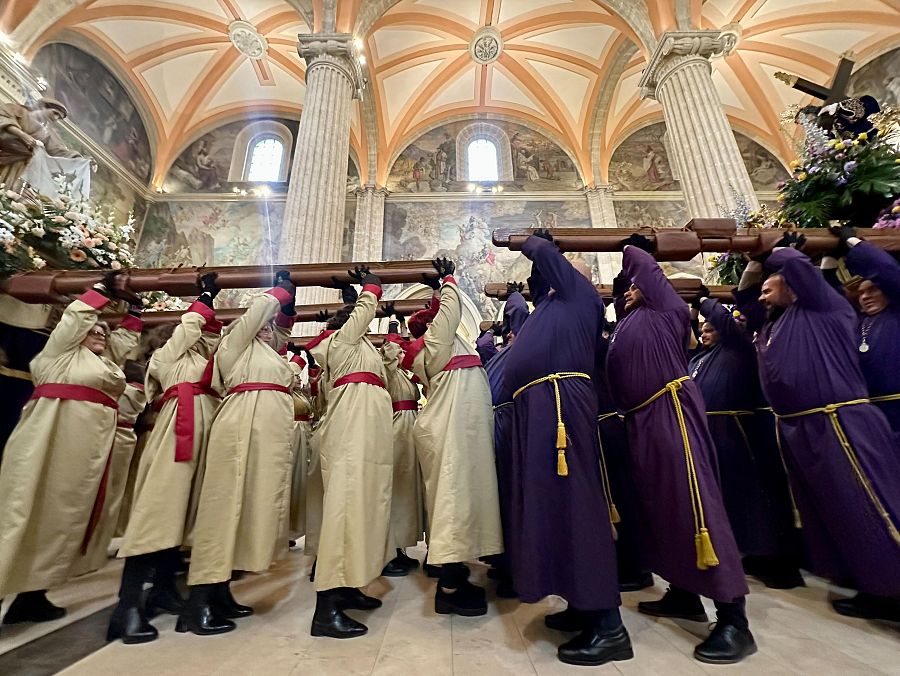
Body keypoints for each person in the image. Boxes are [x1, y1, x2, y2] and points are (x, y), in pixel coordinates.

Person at [606, 238, 754, 664]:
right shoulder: (629, 320)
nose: (630, 290)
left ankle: (734, 620)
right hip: (641, 420)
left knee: (695, 503)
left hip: (670, 411)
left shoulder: (666, 308)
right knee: (662, 507)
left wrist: (631, 248)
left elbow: (642, 267)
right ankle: (684, 593)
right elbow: (624, 292)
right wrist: (624, 285)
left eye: (635, 285)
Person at [735, 240, 900, 622]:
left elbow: (799, 269)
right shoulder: (777, 322)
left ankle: (893, 586)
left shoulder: (823, 307)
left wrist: (772, 250)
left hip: (839, 422)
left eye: (769, 285)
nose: (761, 294)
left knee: (869, 506)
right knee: (835, 511)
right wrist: (756, 268)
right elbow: (744, 300)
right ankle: (872, 584)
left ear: (793, 285)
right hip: (802, 426)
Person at [501, 233, 631, 666]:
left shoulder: (580, 294)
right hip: (540, 409)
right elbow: (525, 303)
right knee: (553, 506)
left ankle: (609, 626)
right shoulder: (549, 308)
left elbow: (547, 260)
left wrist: (533, 241)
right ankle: (581, 603)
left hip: (560, 407)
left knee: (577, 504)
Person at [0, 271, 141, 626]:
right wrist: (100, 292)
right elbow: (77, 320)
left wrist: (135, 313)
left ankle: (33, 595)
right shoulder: (60, 354)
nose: (99, 334)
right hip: (49, 443)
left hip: (87, 452)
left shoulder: (104, 364)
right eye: (93, 331)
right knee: (25, 513)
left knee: (62, 522)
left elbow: (121, 343)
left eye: (103, 332)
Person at [179, 273, 296, 636]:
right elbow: (256, 315)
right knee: (224, 509)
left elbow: (283, 332)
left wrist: (287, 305)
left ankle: (220, 590)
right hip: (242, 425)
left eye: (269, 329)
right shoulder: (234, 345)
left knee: (246, 510)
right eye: (261, 326)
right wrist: (279, 290)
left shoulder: (267, 351)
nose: (266, 330)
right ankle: (197, 604)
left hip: (265, 432)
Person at [110, 275, 224, 643]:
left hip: (200, 435)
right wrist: (204, 298)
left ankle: (162, 588)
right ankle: (126, 608)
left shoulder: (204, 360)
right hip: (176, 435)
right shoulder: (168, 357)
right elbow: (191, 329)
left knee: (181, 515)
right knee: (156, 513)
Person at [402, 258, 503, 618]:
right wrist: (447, 280)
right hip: (450, 431)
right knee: (453, 502)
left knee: (460, 500)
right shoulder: (436, 343)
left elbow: (442, 312)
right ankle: (449, 587)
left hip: (455, 429)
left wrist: (435, 292)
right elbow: (450, 309)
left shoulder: (441, 345)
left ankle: (455, 572)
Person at [690, 296, 803, 589]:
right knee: (733, 501)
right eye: (702, 328)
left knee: (757, 498)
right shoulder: (699, 358)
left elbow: (729, 326)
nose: (705, 331)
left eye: (711, 327)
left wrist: (703, 299)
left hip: (739, 434)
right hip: (712, 435)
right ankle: (754, 551)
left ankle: (777, 560)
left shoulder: (738, 348)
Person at [305, 267, 394, 639]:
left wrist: (349, 294)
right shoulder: (342, 345)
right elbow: (358, 317)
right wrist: (370, 287)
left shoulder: (360, 351)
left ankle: (347, 586)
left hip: (368, 435)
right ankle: (325, 609)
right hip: (351, 434)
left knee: (362, 508)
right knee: (344, 510)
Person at [71, 361, 148, 578]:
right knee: (103, 496)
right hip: (114, 436)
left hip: (121, 437)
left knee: (111, 497)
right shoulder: (131, 382)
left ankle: (90, 552)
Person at [484, 282, 529, 599]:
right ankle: (502, 559)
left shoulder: (524, 345)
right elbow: (483, 344)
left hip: (514, 425)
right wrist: (495, 328)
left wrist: (513, 297)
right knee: (498, 496)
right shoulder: (499, 356)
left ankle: (518, 568)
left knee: (514, 496)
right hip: (497, 426)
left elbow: (521, 315)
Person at [833, 226, 900, 437]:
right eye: (861, 293)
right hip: (870, 418)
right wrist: (828, 263)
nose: (865, 297)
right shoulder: (857, 322)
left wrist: (852, 242)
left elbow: (887, 271)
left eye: (873, 290)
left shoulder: (897, 311)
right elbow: (830, 304)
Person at [379, 311, 422, 576]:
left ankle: (400, 548)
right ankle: (389, 551)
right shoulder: (389, 371)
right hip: (396, 428)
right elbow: (390, 354)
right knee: (395, 490)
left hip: (409, 428)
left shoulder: (404, 374)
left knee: (406, 491)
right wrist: (394, 328)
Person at [0, 98, 81, 186]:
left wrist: (81, 160)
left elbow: (59, 151)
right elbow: (3, 119)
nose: (55, 118)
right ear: (43, 107)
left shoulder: (45, 133)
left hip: (18, 167)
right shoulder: (18, 110)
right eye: (55, 113)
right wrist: (22, 135)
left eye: (59, 118)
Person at [286, 348, 313, 543]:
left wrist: (310, 364)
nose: (297, 379)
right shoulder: (284, 394)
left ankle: (294, 527)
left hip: (304, 436)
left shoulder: (300, 395)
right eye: (294, 377)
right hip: (291, 436)